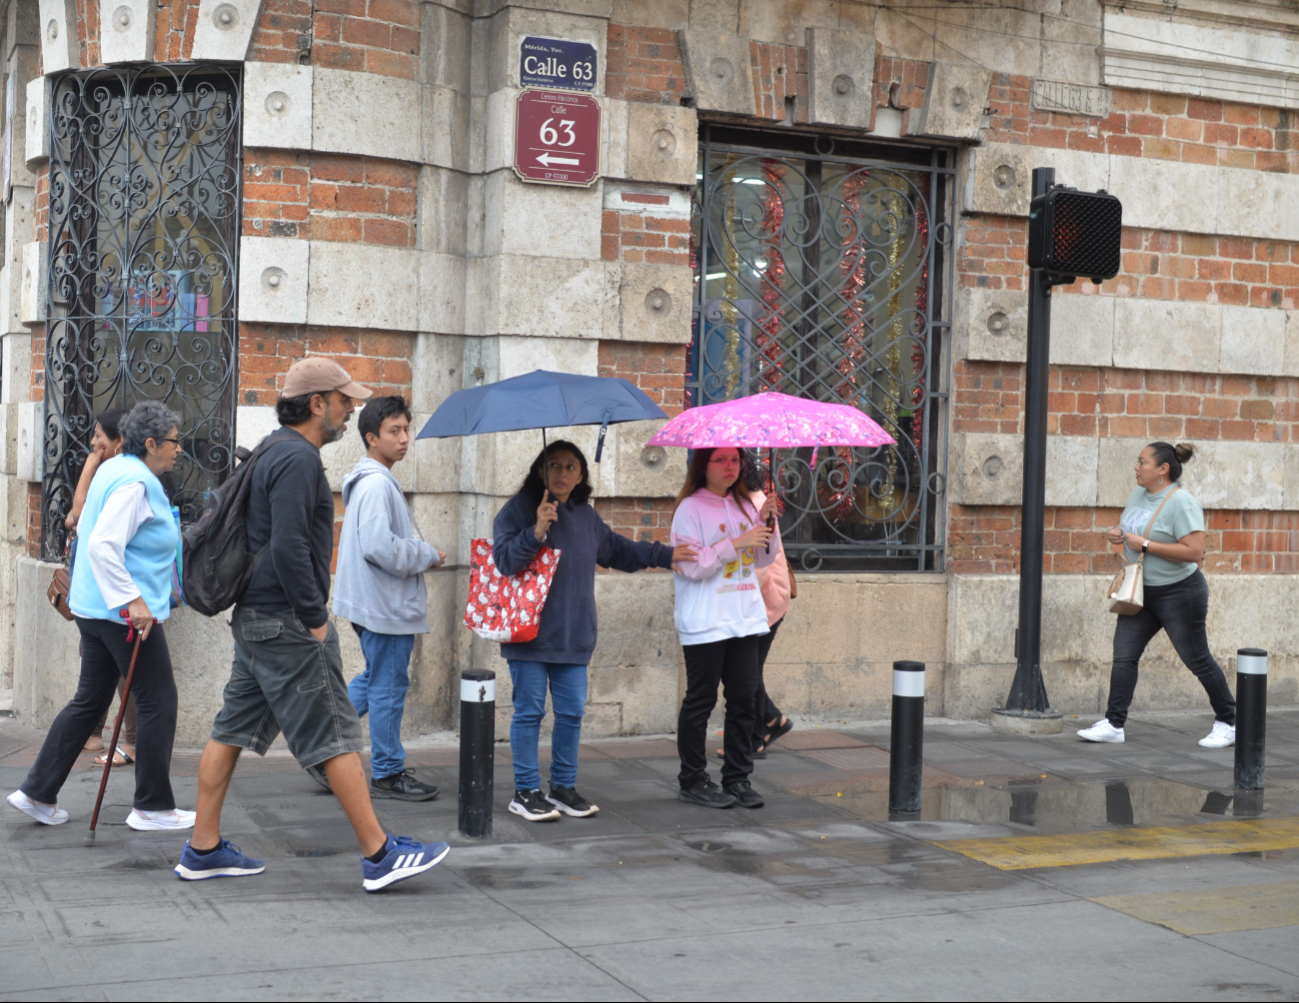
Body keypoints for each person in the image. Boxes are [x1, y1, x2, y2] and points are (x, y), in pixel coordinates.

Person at [175, 358, 449, 892]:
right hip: (285, 621)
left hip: (257, 620)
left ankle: (202, 847)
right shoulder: (298, 459)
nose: (351, 410)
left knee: (229, 731)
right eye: (344, 401)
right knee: (337, 733)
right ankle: (378, 853)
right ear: (317, 403)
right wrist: (315, 618)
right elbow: (292, 546)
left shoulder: (274, 450)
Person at [8, 401, 194, 830]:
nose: (178, 449)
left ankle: (37, 792)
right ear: (150, 444)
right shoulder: (135, 483)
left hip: (95, 609)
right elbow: (103, 545)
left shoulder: (116, 469)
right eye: (173, 441)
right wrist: (134, 601)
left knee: (90, 699)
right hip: (122, 616)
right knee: (157, 701)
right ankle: (152, 806)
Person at [492, 441, 694, 822]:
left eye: (571, 467)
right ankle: (526, 791)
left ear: (581, 474)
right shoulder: (518, 509)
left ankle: (563, 788)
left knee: (570, 713)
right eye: (554, 465)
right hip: (529, 635)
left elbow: (618, 550)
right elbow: (504, 561)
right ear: (541, 470)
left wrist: (664, 554)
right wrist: (536, 529)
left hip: (574, 633)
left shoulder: (584, 516)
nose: (562, 474)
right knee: (529, 712)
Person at [1078, 442, 1237, 748]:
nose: (1136, 468)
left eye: (1142, 462)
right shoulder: (1139, 494)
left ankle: (1229, 721)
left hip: (1180, 594)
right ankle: (1114, 724)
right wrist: (1117, 533)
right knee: (1124, 656)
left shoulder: (1182, 502)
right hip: (1141, 594)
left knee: (1197, 659)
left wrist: (1147, 545)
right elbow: (1133, 529)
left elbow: (1195, 552)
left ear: (1163, 469)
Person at [332, 396, 444, 802]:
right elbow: (380, 547)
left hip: (373, 605)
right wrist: (427, 555)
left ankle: (322, 747)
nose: (404, 439)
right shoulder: (377, 482)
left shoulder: (371, 479)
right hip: (384, 607)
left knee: (376, 680)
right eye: (394, 431)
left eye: (405, 430)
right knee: (388, 687)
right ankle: (387, 771)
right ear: (371, 437)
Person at [671, 447, 779, 809]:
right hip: (707, 621)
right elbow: (691, 565)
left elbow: (764, 556)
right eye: (721, 460)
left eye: (736, 460)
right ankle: (692, 778)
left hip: (745, 618)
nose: (731, 467)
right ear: (703, 466)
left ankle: (737, 777)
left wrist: (767, 523)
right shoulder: (690, 509)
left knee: (744, 702)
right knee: (701, 701)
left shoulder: (746, 505)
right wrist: (735, 543)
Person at [63, 408, 137, 764]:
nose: (93, 443)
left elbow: (76, 518)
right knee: (97, 674)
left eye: (99, 437)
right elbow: (74, 519)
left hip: (117, 597)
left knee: (129, 674)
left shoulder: (124, 477)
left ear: (120, 441)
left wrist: (89, 468)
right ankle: (93, 734)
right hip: (94, 595)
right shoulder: (111, 472)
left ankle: (133, 743)